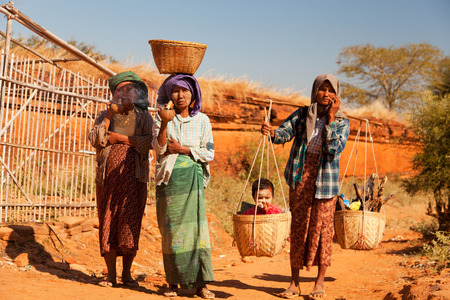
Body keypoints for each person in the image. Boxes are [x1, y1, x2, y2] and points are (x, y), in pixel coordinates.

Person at [261, 74, 350, 299]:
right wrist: (272, 133)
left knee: (323, 231)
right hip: (301, 177)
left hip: (325, 183)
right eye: (322, 89)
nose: (326, 94)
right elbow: (285, 132)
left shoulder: (342, 122)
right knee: (299, 229)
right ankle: (294, 283)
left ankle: (319, 283)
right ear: (315, 91)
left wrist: (329, 118)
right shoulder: (302, 114)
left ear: (337, 95)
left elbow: (333, 150)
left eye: (331, 90)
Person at [152, 74, 215, 299]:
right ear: (170, 95)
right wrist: (165, 123)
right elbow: (159, 150)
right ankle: (172, 283)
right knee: (170, 231)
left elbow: (209, 152)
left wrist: (182, 149)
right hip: (168, 182)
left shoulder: (203, 121)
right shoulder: (162, 118)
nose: (180, 95)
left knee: (196, 232)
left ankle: (201, 285)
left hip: (193, 182)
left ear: (193, 94)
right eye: (176, 91)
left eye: (185, 90)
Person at [88, 71, 153, 288]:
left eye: (129, 89)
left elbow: (150, 143)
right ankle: (110, 276)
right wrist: (108, 116)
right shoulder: (104, 115)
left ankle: (127, 275)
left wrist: (121, 139)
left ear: (137, 93)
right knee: (108, 220)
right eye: (120, 89)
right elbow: (95, 140)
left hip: (135, 178)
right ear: (113, 94)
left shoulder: (144, 117)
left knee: (130, 222)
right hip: (107, 179)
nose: (124, 93)